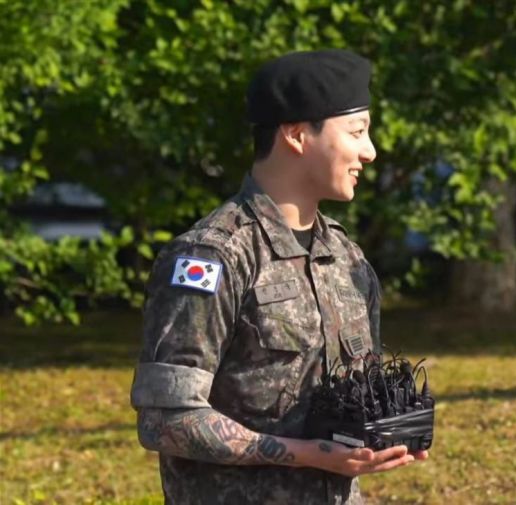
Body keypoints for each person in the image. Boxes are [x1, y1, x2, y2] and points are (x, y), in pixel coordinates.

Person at [130, 49, 427, 504]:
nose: (369, 151)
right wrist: (304, 455)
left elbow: (352, 400)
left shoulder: (346, 257)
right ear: (296, 135)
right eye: (357, 132)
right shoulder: (213, 256)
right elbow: (164, 419)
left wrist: (387, 430)